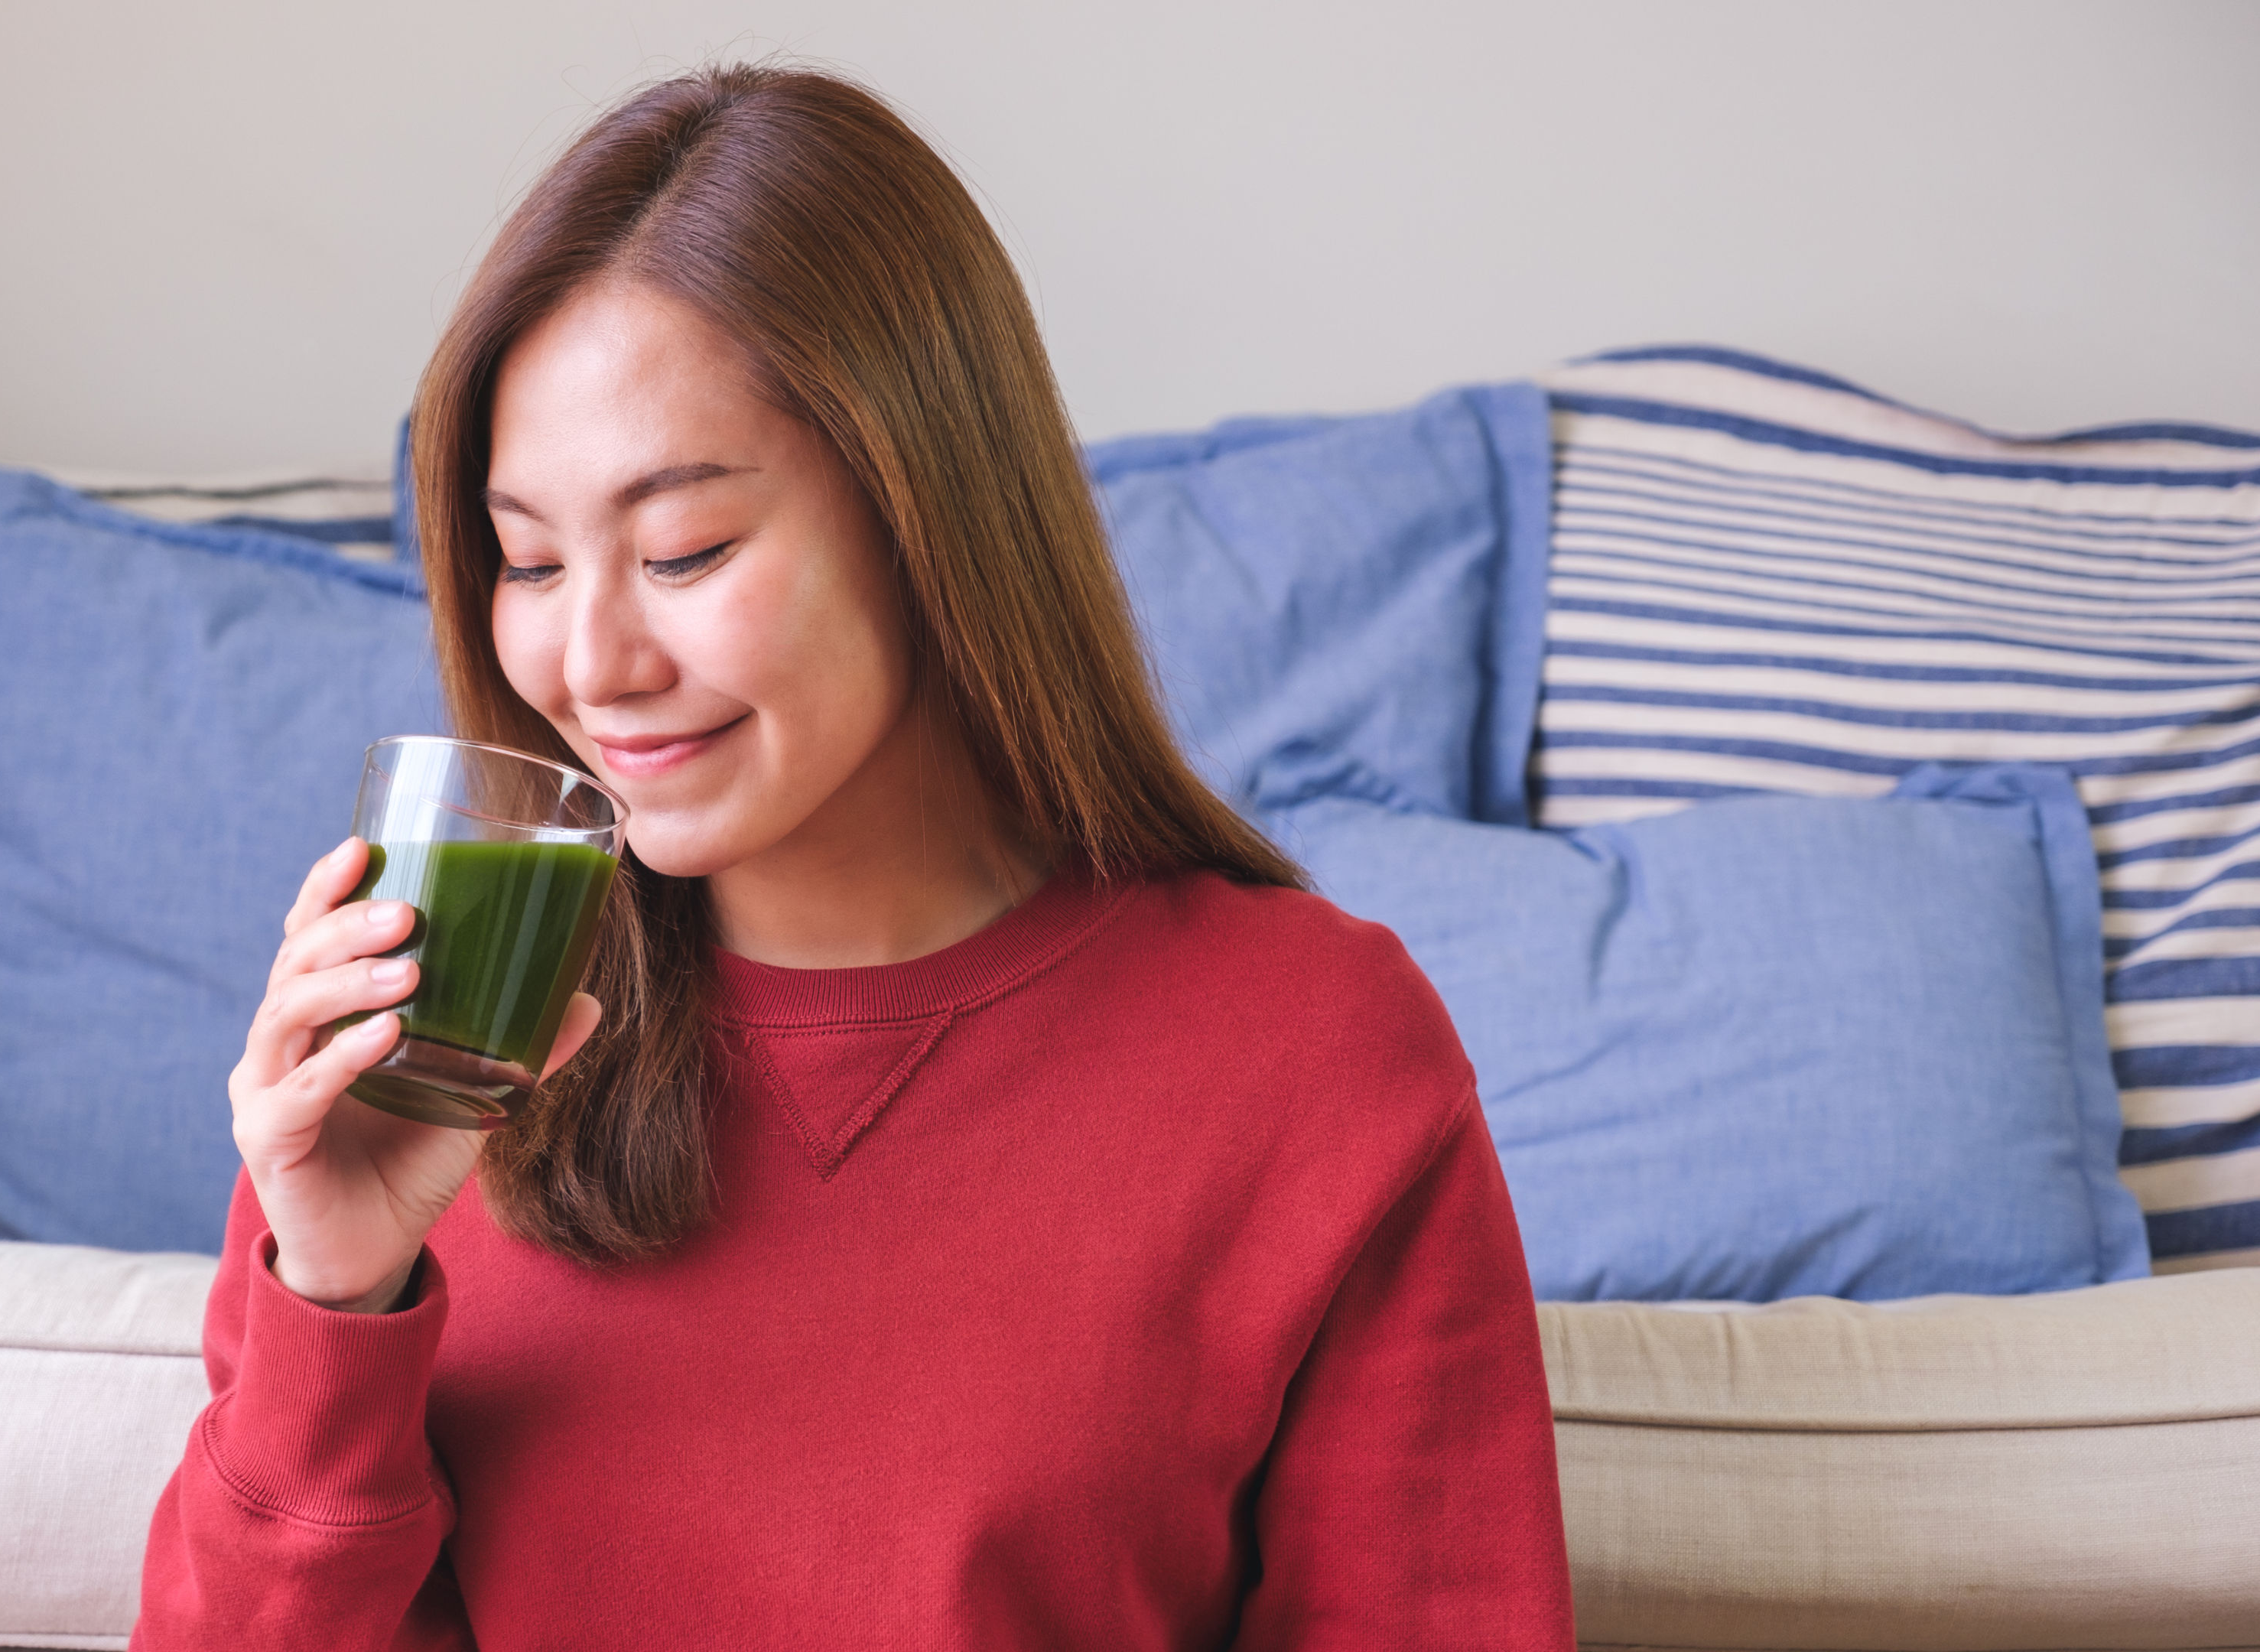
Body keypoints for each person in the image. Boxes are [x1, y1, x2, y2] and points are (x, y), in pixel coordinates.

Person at [135, 63, 1571, 1650]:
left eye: (685, 550)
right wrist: (330, 1297)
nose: (588, 662)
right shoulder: (440, 1059)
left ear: (929, 513)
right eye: (528, 560)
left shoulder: (1312, 1056)